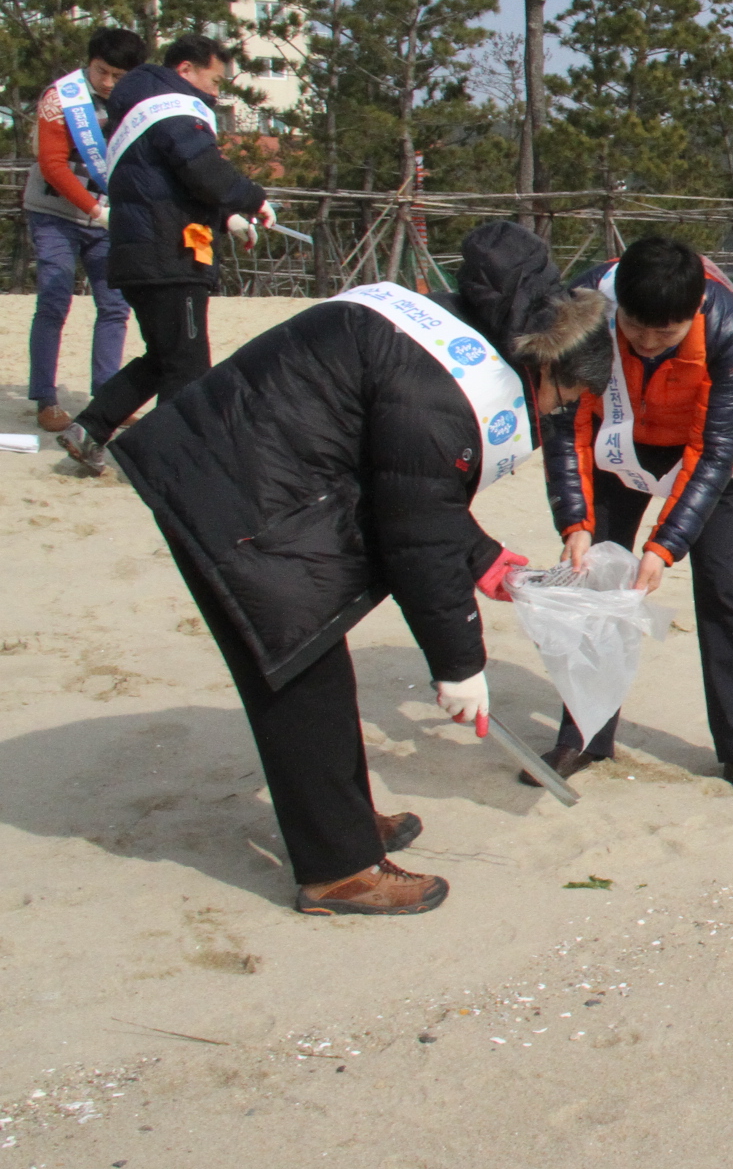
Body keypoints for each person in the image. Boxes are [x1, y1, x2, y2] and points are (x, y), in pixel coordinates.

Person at [113, 222, 613, 914]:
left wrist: (484, 557)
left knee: (317, 657)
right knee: (295, 661)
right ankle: (337, 869)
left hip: (242, 461)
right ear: (546, 364)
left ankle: (344, 823)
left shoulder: (449, 325)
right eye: (563, 401)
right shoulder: (441, 393)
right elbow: (414, 533)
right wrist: (460, 664)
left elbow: (405, 482)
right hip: (229, 489)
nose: (555, 413)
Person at [538, 235, 733, 799]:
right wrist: (574, 521)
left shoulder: (730, 328)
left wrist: (663, 547)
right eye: (636, 329)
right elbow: (565, 425)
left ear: (696, 309)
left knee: (724, 584)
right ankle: (583, 734)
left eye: (666, 334)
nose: (649, 344)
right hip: (614, 438)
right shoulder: (581, 310)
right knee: (595, 580)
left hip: (699, 451)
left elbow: (716, 447)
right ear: (617, 306)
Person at [57, 33, 273, 475]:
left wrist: (226, 217)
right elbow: (203, 170)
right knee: (189, 365)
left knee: (163, 356)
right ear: (186, 70)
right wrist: (252, 198)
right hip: (170, 253)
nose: (217, 93)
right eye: (215, 80)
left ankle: (90, 429)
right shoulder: (174, 108)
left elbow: (165, 184)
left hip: (142, 249)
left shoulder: (138, 110)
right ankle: (172, 463)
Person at [24, 27, 143, 433]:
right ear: (88, 63)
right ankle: (45, 397)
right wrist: (95, 209)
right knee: (54, 299)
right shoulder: (61, 99)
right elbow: (53, 165)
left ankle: (107, 398)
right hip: (56, 212)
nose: (108, 83)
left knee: (114, 305)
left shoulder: (139, 102)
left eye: (118, 76)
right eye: (101, 72)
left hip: (108, 215)